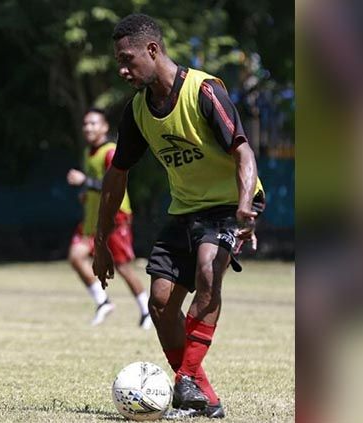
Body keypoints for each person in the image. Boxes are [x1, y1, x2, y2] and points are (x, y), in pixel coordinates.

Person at [92, 14, 266, 419]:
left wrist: (244, 205)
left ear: (152, 50)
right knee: (160, 302)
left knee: (208, 270)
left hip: (231, 206)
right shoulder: (137, 111)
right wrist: (100, 242)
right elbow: (116, 177)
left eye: (127, 59)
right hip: (186, 208)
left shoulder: (204, 91)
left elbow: (244, 151)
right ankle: (201, 395)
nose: (122, 69)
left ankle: (185, 381)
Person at [67, 108, 152, 329]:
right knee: (76, 256)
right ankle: (103, 301)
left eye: (93, 123)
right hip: (93, 219)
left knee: (122, 267)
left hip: (115, 218)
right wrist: (86, 196)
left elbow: (113, 185)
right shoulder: (88, 153)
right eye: (86, 124)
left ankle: (146, 311)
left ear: (105, 127)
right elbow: (96, 186)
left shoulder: (111, 152)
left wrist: (85, 181)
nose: (88, 128)